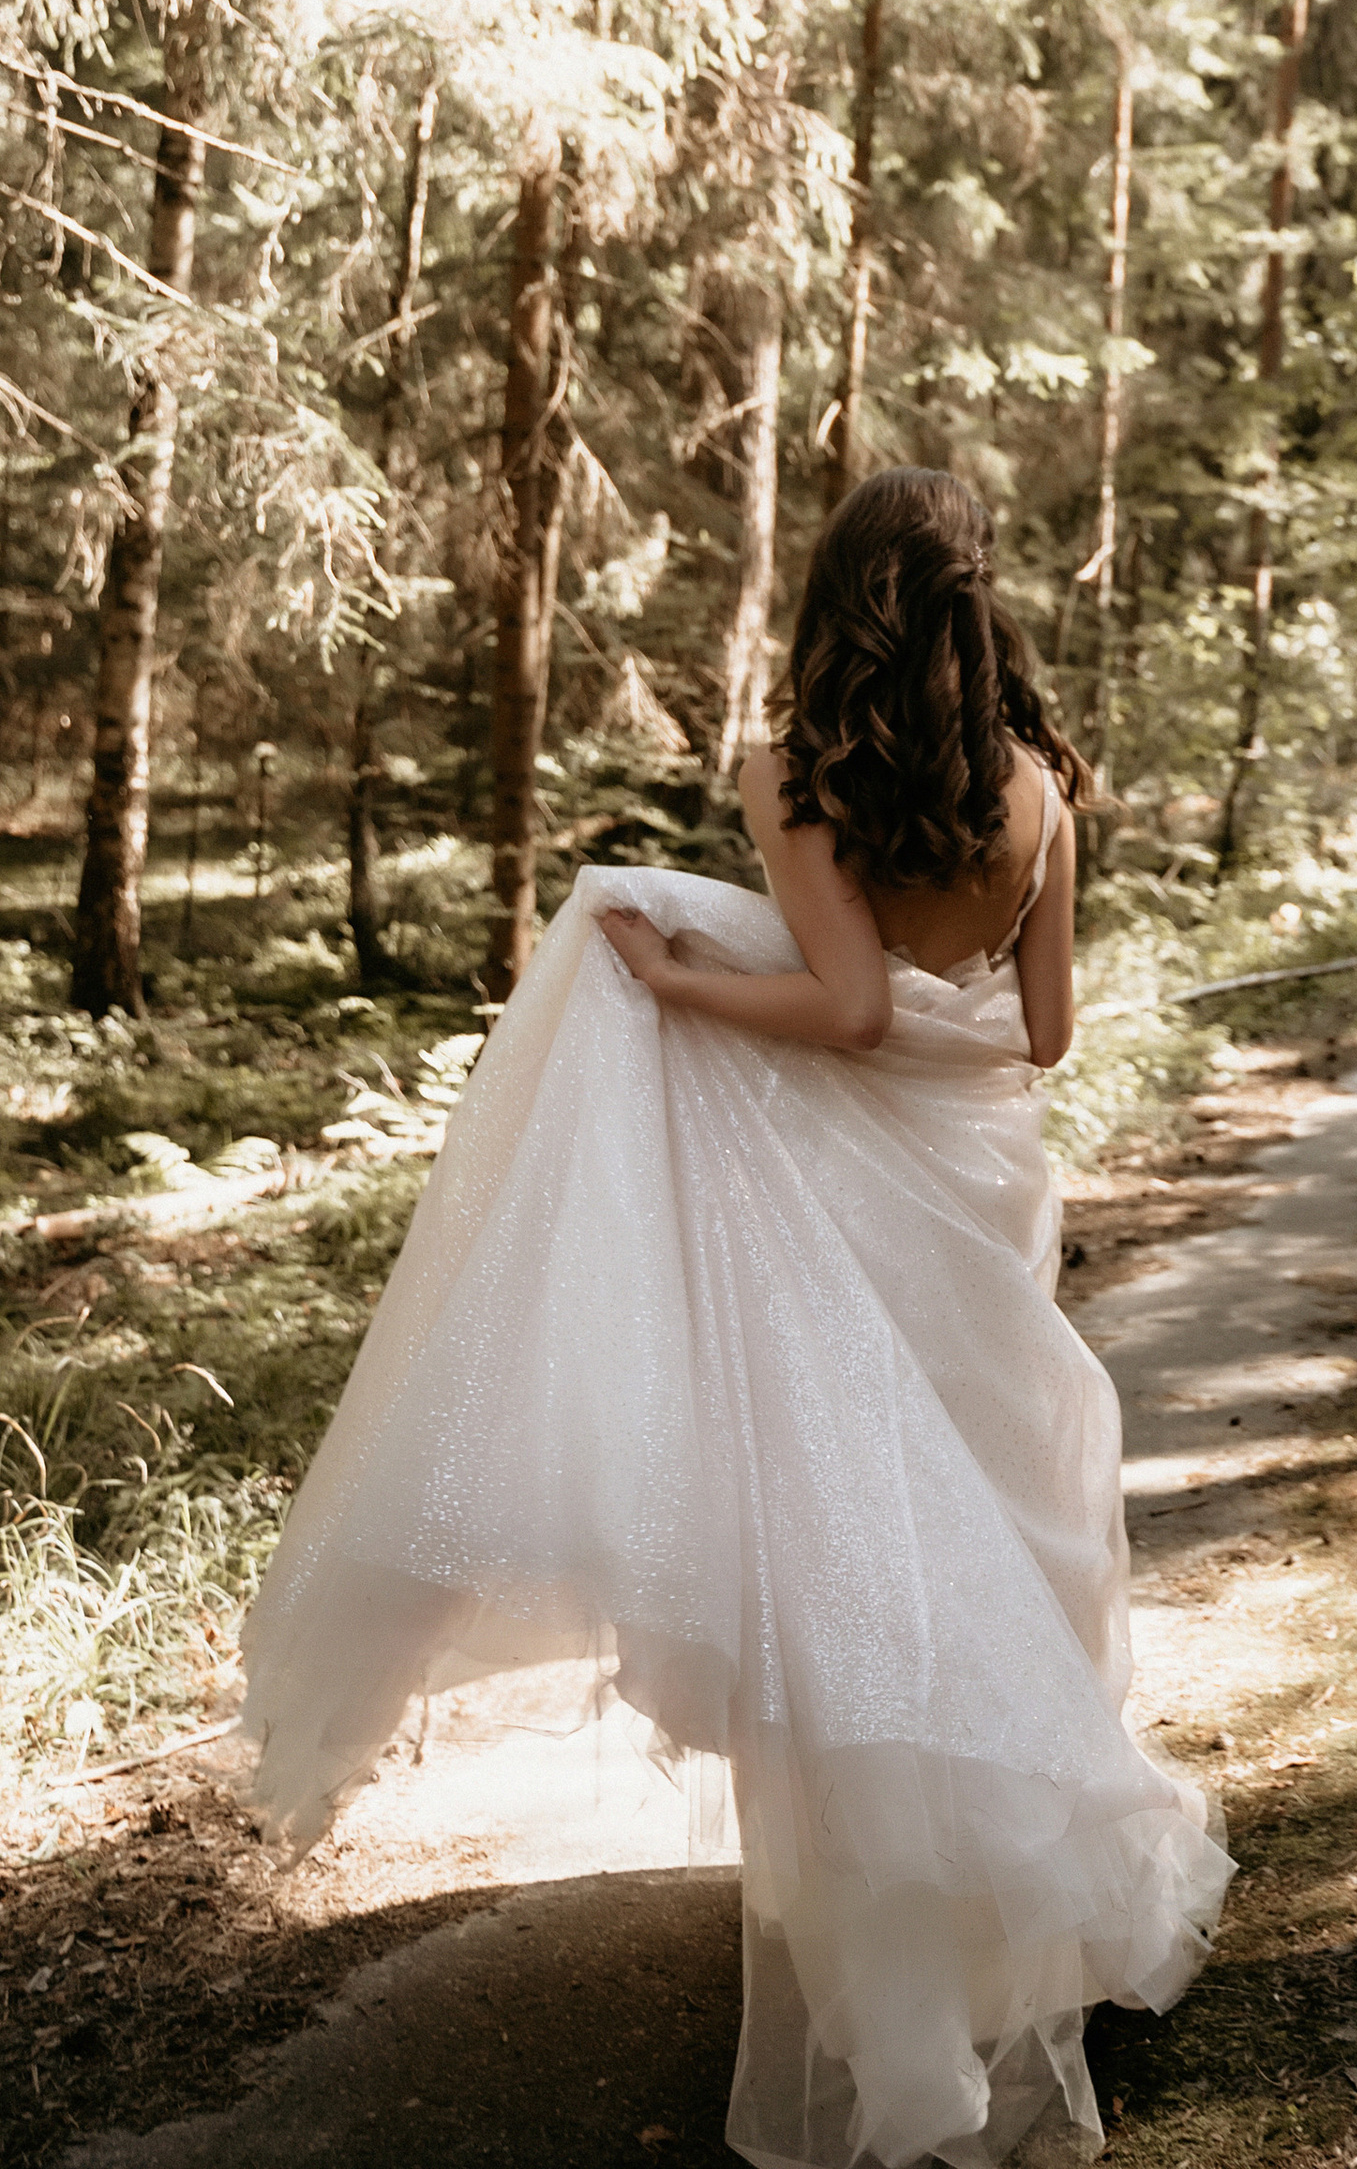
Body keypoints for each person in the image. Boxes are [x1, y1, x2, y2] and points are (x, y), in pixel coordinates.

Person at [238, 466, 1229, 2169]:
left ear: (838, 606)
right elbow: (1044, 1037)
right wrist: (938, 1014)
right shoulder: (1047, 793)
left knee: (839, 1557)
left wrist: (681, 980)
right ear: (978, 602)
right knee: (975, 1540)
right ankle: (983, 1929)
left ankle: (895, 1993)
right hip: (974, 1195)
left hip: (851, 1196)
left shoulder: (799, 777)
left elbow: (843, 1011)